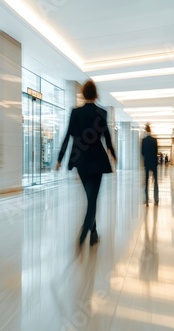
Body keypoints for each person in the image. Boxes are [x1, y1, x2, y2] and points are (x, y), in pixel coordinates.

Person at [56, 80, 117, 247]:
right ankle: (85, 232)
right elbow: (107, 137)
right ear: (96, 94)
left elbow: (68, 135)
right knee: (92, 198)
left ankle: (94, 232)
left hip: (80, 160)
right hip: (97, 160)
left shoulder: (75, 112)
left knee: (90, 197)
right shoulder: (101, 113)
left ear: (83, 94)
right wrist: (113, 154)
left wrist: (60, 159)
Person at [141, 123, 158, 205]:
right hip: (154, 162)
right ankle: (156, 199)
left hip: (147, 162)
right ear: (150, 131)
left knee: (146, 181)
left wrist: (146, 157)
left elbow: (142, 152)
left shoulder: (144, 141)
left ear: (145, 130)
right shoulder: (154, 140)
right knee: (155, 181)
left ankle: (147, 200)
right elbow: (156, 151)